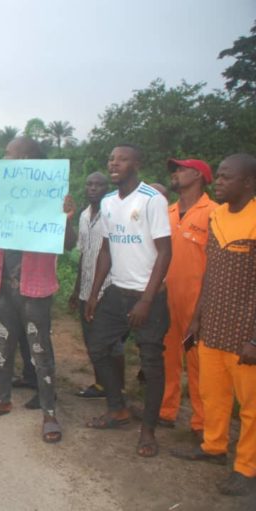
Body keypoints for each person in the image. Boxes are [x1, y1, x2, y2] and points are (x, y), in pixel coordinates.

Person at [0, 137, 75, 442]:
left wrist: (66, 219)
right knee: (2, 346)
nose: (5, 159)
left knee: (40, 351)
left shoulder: (52, 194)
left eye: (9, 155)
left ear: (26, 158)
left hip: (35, 289)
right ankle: (2, 399)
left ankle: (49, 412)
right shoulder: (1, 194)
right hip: (4, 287)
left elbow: (68, 244)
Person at [171, 153, 256, 497]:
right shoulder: (218, 216)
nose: (218, 182)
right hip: (213, 326)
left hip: (244, 332)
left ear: (248, 183)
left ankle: (247, 468)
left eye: (226, 177)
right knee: (213, 393)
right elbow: (211, 273)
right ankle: (213, 446)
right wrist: (196, 319)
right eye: (218, 176)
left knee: (250, 406)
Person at [84, 144, 171, 458]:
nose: (114, 163)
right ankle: (117, 408)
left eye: (122, 158)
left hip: (149, 297)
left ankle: (147, 430)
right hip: (116, 292)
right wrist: (94, 295)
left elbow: (165, 252)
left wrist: (147, 301)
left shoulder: (152, 199)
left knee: (151, 362)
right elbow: (106, 251)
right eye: (111, 158)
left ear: (137, 163)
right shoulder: (108, 202)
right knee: (96, 346)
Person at [158, 159, 216, 436]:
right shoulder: (166, 212)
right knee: (167, 357)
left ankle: (201, 423)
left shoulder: (214, 213)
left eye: (180, 169)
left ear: (198, 175)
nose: (175, 174)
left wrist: (203, 311)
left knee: (199, 366)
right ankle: (166, 411)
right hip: (166, 300)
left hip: (197, 304)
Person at [68, 172, 123, 399]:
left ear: (106, 188)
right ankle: (101, 385)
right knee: (91, 341)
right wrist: (76, 290)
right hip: (85, 290)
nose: (93, 188)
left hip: (109, 289)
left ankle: (118, 389)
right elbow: (83, 255)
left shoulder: (113, 213)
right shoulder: (83, 216)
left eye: (98, 184)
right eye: (89, 184)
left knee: (111, 343)